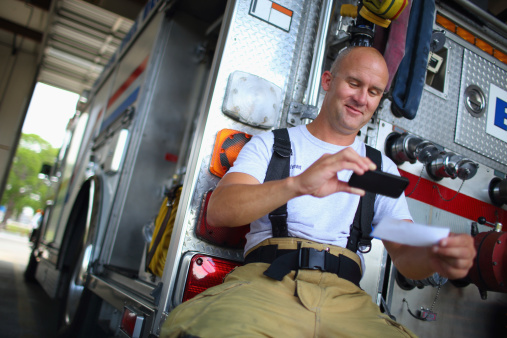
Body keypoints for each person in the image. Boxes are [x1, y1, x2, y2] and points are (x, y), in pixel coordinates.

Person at [161, 46, 476, 337]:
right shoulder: (273, 145)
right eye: (354, 83)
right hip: (266, 287)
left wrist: (436, 259)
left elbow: (405, 253)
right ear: (328, 80)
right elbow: (221, 211)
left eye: (374, 91)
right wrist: (297, 185)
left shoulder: (381, 168)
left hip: (348, 301)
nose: (362, 98)